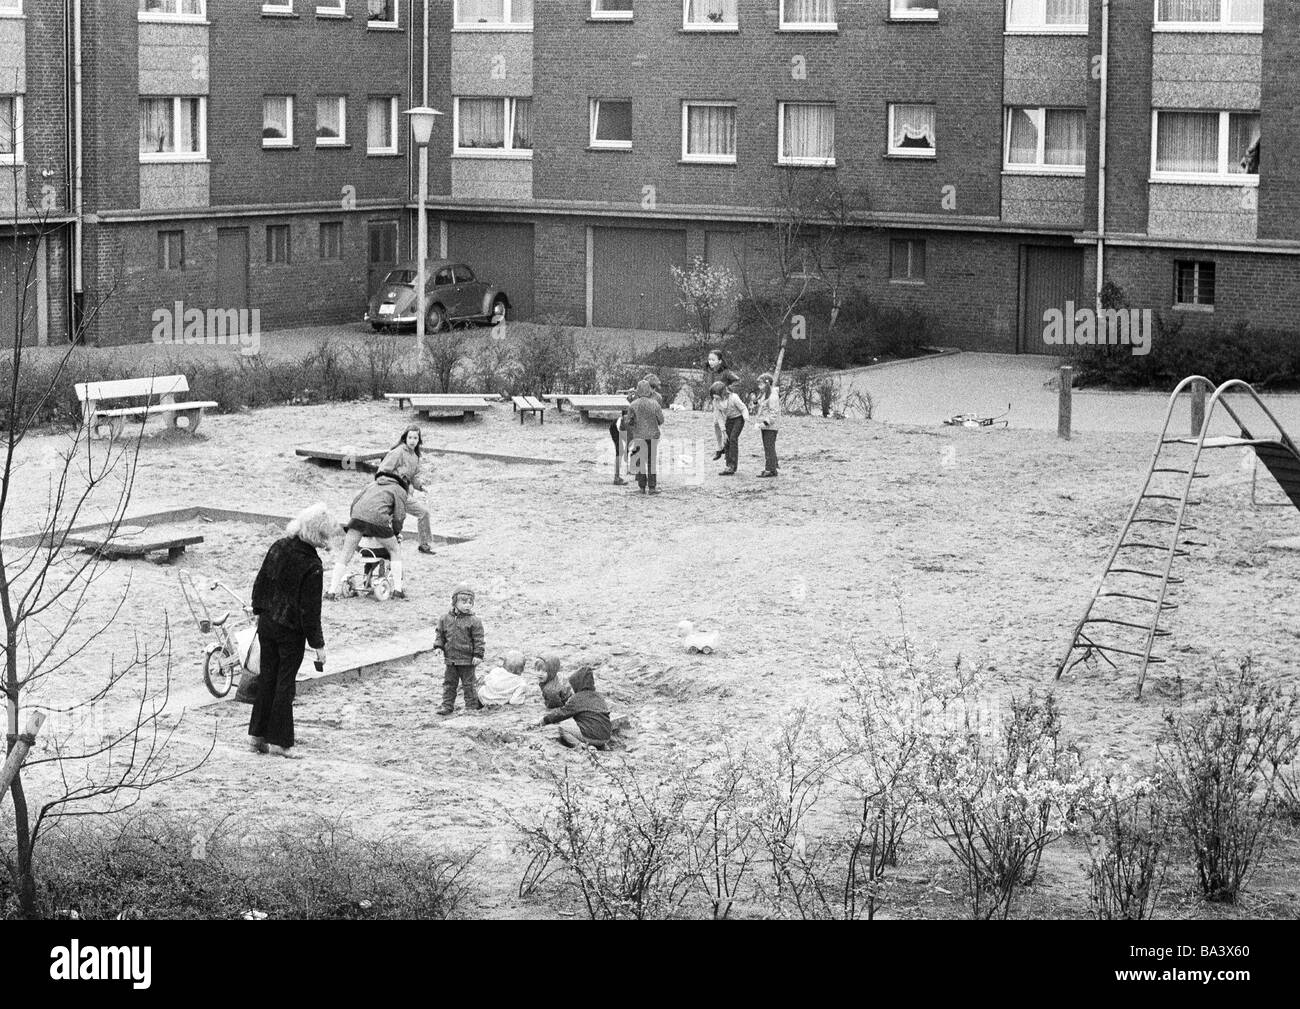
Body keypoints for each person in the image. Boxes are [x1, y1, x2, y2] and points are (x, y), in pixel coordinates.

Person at [248, 502, 333, 759]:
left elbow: (261, 581)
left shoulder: (280, 545)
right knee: (285, 684)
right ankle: (280, 742)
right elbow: (310, 611)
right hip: (289, 629)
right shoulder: (312, 565)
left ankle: (257, 736)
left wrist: (258, 611)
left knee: (267, 678)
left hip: (268, 621)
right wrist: (318, 645)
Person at [325, 473, 408, 601]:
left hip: (357, 518)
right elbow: (399, 516)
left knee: (345, 553)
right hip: (378, 520)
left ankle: (331, 591)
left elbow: (354, 503)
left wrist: (357, 521)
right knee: (395, 550)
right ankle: (398, 590)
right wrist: (396, 532)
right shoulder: (399, 490)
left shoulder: (372, 484)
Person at [377, 425, 435, 555]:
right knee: (393, 520)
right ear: (405, 438)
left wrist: (421, 486)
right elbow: (382, 470)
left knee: (423, 513)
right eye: (410, 437)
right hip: (391, 491)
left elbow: (413, 476)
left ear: (419, 440)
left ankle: (424, 544)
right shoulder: (398, 452)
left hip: (404, 493)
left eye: (415, 437)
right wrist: (389, 486)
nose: (412, 440)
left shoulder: (415, 456)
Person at [434, 583, 485, 715]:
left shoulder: (475, 621)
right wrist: (439, 647)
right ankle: (447, 706)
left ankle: (471, 706)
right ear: (454, 602)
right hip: (450, 660)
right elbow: (440, 634)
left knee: (469, 685)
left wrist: (478, 655)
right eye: (464, 602)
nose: (467, 605)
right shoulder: (445, 619)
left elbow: (479, 639)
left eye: (470, 602)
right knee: (449, 684)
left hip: (467, 660)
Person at [540, 665, 612, 750]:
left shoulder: (577, 698)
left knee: (563, 728)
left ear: (578, 684)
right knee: (591, 722)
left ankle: (580, 746)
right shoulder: (598, 696)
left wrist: (545, 720)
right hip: (606, 737)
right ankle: (601, 746)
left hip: (590, 736)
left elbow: (562, 713)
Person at [625, 379, 665, 495]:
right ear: (649, 391)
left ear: (638, 391)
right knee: (651, 462)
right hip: (653, 436)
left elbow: (629, 421)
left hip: (638, 436)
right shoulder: (655, 404)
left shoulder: (633, 405)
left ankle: (641, 487)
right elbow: (661, 420)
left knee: (640, 461)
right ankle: (652, 488)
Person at [704, 350, 740, 460]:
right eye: (709, 359)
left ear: (720, 361)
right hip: (715, 402)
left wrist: (727, 390)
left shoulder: (726, 372)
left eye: (713, 359)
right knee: (716, 424)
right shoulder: (710, 372)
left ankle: (726, 449)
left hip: (725, 403)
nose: (710, 362)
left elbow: (737, 381)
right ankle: (720, 448)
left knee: (725, 426)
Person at [711, 380, 749, 476]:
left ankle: (733, 466)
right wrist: (723, 431)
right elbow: (719, 417)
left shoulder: (734, 397)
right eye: (713, 395)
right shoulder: (715, 402)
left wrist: (746, 417)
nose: (714, 397)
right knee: (726, 441)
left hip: (739, 419)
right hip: (729, 419)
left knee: (733, 439)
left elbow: (743, 408)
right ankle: (728, 466)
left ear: (722, 392)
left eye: (715, 394)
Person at [754, 371, 780, 478]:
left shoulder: (773, 396)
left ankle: (770, 469)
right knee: (768, 446)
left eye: (761, 384)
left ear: (767, 384)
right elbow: (763, 406)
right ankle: (771, 468)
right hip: (765, 426)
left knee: (769, 447)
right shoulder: (765, 394)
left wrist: (764, 423)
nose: (759, 387)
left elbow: (773, 413)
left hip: (770, 426)